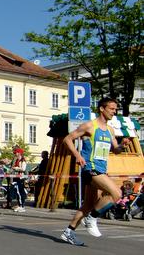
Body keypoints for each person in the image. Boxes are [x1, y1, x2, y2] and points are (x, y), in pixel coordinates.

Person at [60, 98, 130, 246]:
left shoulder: (110, 130)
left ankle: (69, 232)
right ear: (102, 109)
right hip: (90, 168)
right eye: (111, 109)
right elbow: (67, 139)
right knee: (117, 193)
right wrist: (77, 155)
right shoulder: (89, 126)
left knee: (88, 204)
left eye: (115, 109)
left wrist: (122, 145)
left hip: (101, 169)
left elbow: (115, 150)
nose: (114, 112)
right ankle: (92, 218)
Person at [10, 147, 27, 212]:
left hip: (20, 178)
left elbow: (23, 169)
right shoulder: (17, 160)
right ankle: (20, 205)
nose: (15, 154)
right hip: (16, 177)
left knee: (20, 192)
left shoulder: (22, 161)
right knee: (17, 192)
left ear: (19, 153)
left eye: (16, 153)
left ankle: (22, 206)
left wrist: (16, 168)